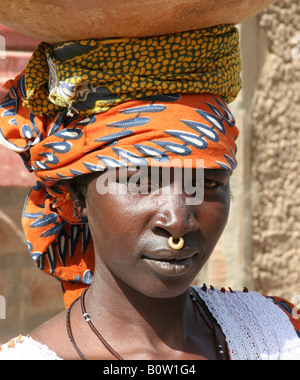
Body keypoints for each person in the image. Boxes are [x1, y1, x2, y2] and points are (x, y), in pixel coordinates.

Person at [0, 22, 299, 360]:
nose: (178, 221)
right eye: (141, 182)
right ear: (77, 195)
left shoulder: (279, 336)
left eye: (207, 184)